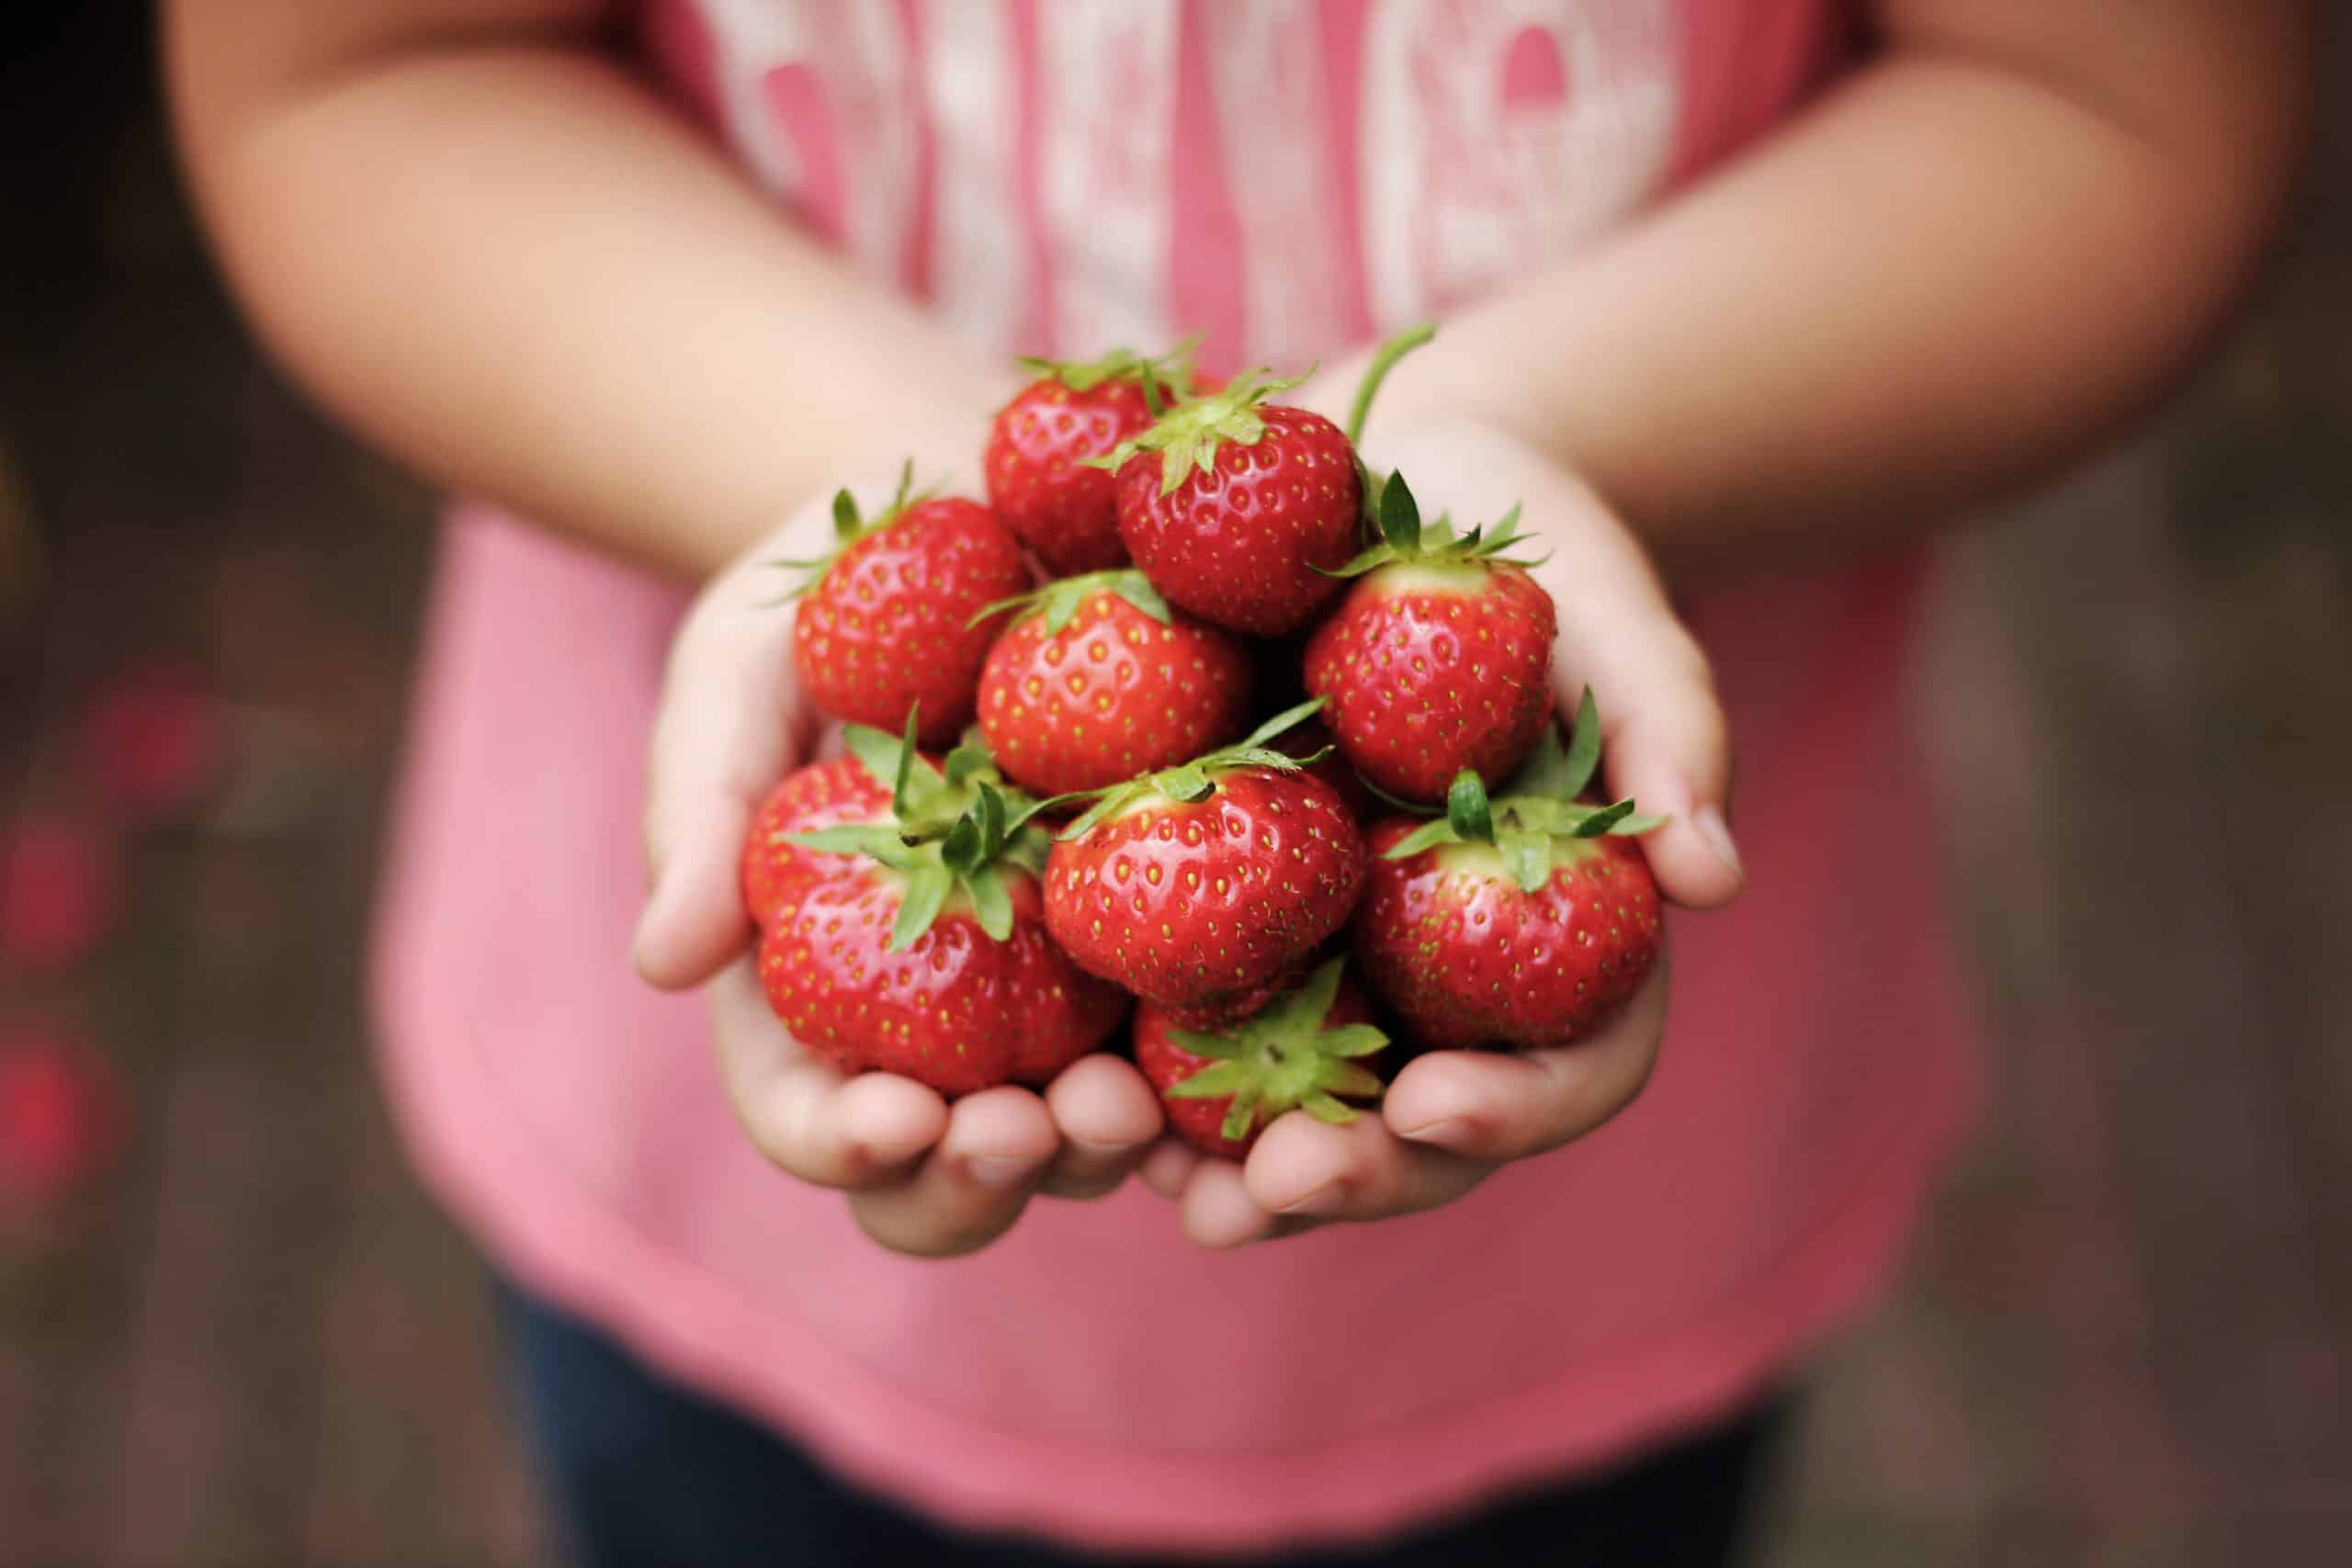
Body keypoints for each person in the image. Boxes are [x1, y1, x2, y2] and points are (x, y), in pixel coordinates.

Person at [164, 1, 2307, 1562]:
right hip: (731, 1231)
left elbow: (2123, 105)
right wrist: (895, 463)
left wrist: (1524, 427)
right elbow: (353, 72)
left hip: (1603, 1252)